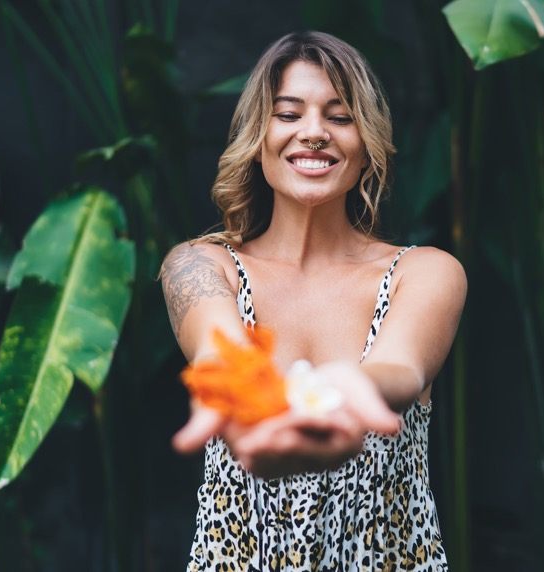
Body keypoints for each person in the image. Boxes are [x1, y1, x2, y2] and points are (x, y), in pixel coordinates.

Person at [159, 30, 466, 571]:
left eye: (340, 116)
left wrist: (349, 391)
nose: (314, 133)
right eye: (289, 113)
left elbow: (401, 369)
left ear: (366, 140)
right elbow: (221, 353)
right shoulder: (201, 265)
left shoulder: (423, 272)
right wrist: (243, 395)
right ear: (259, 134)